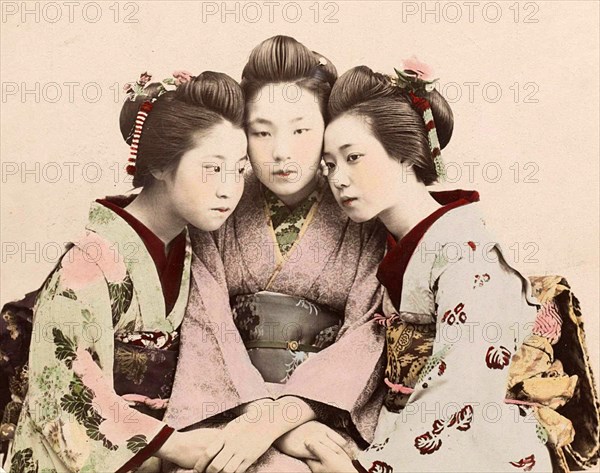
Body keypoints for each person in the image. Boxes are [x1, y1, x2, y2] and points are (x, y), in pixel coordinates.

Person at [304, 62, 567, 471]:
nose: (338, 178)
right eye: (330, 165)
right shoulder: (396, 242)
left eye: (353, 157)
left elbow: (463, 383)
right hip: (404, 437)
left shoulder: (466, 248)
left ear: (407, 153)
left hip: (479, 444)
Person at [4, 71, 249, 473]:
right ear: (160, 166)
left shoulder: (191, 249)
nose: (229, 189)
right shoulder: (87, 263)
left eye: (239, 170)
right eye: (212, 168)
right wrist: (172, 445)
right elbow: (63, 390)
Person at [163, 36, 388, 473]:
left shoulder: (358, 207)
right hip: (228, 408)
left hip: (321, 413)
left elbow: (369, 331)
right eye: (262, 132)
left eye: (301, 130)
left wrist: (283, 417)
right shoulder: (220, 203)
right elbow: (207, 323)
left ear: (327, 126)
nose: (281, 152)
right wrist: (264, 419)